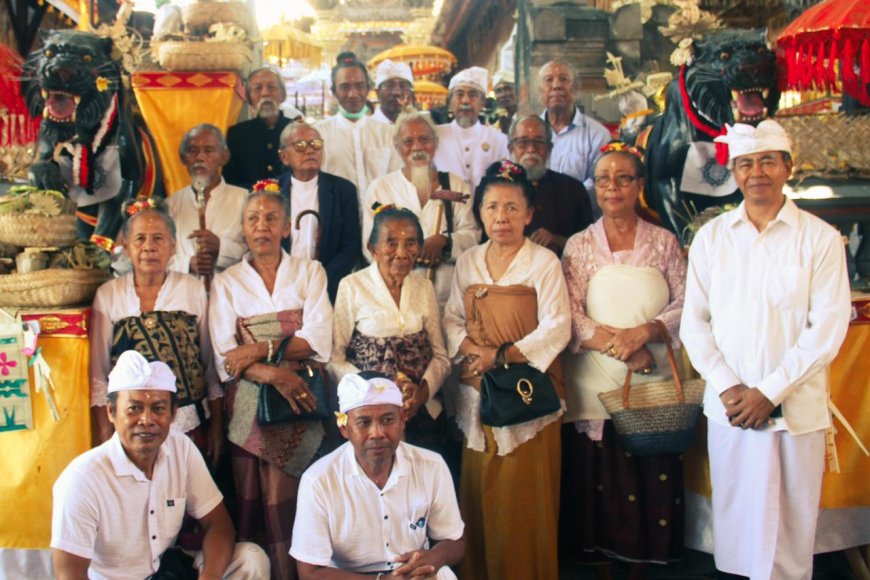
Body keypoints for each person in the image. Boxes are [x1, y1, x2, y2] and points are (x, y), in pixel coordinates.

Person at [680, 120, 851, 579]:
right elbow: (693, 324)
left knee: (791, 530)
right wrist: (730, 386)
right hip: (731, 408)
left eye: (767, 161)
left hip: (795, 410)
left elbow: (829, 327)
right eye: (745, 164)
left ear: (787, 168)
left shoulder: (820, 238)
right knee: (738, 525)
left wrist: (770, 392)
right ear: (734, 173)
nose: (756, 173)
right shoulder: (713, 239)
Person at [560, 142, 688, 576]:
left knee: (649, 472)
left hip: (653, 378)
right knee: (597, 480)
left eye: (623, 178)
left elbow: (687, 303)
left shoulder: (664, 241)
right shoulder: (578, 246)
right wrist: (621, 349)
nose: (612, 187)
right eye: (603, 179)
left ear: (639, 185)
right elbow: (571, 316)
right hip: (594, 381)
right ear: (593, 188)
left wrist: (645, 334)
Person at [443, 160, 571, 580]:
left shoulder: (543, 262)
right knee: (481, 495)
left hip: (526, 395)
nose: (502, 218)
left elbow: (558, 327)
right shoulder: (469, 261)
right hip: (479, 392)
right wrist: (473, 352)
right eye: (492, 207)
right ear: (479, 212)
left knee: (524, 498)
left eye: (513, 208)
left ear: (530, 214)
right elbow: (451, 320)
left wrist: (500, 356)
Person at [52, 350, 269, 580]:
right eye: (134, 408)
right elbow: (70, 574)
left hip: (166, 572)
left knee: (250, 560)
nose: (146, 420)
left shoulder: (180, 449)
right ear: (111, 412)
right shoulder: (82, 478)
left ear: (173, 413)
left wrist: (210, 577)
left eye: (158, 408)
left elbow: (219, 525)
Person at [209, 184, 333, 580]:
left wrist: (257, 349)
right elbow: (225, 357)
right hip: (250, 410)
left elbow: (318, 342)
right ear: (243, 229)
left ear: (286, 228)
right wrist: (275, 370)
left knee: (303, 504)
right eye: (252, 219)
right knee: (253, 506)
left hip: (302, 403)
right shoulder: (227, 281)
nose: (261, 226)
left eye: (270, 218)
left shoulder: (310, 271)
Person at [90, 197, 223, 468]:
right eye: (140, 239)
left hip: (190, 420)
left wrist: (217, 425)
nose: (149, 247)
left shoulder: (192, 290)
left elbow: (210, 365)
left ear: (173, 246)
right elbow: (98, 374)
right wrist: (105, 433)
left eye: (158, 239)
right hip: (129, 429)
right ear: (126, 247)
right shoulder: (108, 295)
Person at [291, 373, 465, 579]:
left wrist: (433, 559)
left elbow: (455, 542)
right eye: (364, 422)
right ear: (344, 428)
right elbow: (310, 573)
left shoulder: (431, 466)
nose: (377, 433)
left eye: (387, 420)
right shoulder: (318, 480)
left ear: (402, 420)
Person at [330, 207, 451, 453]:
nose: (401, 253)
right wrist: (377, 394)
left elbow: (441, 357)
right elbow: (334, 360)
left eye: (410, 243)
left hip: (418, 410)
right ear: (372, 248)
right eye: (391, 243)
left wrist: (421, 395)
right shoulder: (352, 286)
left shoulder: (424, 287)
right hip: (367, 411)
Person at [363, 111, 479, 307]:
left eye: (424, 139)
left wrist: (444, 242)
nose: (417, 147)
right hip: (397, 299)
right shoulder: (380, 189)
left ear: (435, 143)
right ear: (397, 147)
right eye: (408, 141)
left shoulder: (455, 185)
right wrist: (410, 251)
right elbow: (370, 247)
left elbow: (473, 236)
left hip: (447, 299)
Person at [276, 122, 361, 301]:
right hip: (278, 286)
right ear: (284, 156)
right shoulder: (270, 191)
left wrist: (319, 282)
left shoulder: (343, 190)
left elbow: (350, 247)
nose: (309, 151)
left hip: (327, 288)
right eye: (300, 145)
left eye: (316, 144)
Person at [316, 52, 400, 202]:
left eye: (359, 86)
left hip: (380, 219)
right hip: (337, 220)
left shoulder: (388, 134)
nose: (353, 94)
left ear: (368, 89)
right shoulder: (319, 134)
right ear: (334, 91)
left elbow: (396, 182)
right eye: (345, 87)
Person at [167, 124, 247, 276]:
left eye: (208, 150)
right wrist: (187, 263)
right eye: (193, 150)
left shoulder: (244, 199)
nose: (200, 157)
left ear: (224, 156)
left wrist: (220, 248)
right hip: (183, 294)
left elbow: (257, 252)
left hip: (231, 294)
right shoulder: (170, 204)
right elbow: (158, 256)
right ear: (183, 158)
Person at [508, 115, 594, 256]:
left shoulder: (573, 190)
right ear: (511, 148)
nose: (531, 149)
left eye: (539, 142)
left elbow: (589, 245)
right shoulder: (498, 190)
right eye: (523, 142)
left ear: (549, 148)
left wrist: (557, 240)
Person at [538, 60, 611, 213]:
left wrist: (564, 200)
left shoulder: (597, 133)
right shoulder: (529, 133)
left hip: (581, 216)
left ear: (576, 89)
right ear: (540, 91)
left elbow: (599, 179)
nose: (556, 85)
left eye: (563, 79)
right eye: (548, 80)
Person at [434, 67, 509, 190]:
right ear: (450, 101)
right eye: (459, 94)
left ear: (482, 103)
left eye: (472, 95)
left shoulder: (499, 140)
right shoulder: (436, 136)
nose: (465, 101)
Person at [224, 67, 293, 189]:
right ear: (249, 98)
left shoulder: (296, 130)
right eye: (257, 88)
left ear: (282, 95)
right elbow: (230, 181)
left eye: (272, 87)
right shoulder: (237, 134)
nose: (265, 93)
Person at [372, 59, 415, 125]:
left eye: (403, 85)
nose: (397, 92)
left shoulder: (419, 128)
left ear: (411, 93)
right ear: (377, 92)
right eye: (389, 85)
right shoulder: (366, 129)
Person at [489, 70, 517, 135]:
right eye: (498, 91)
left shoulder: (526, 117)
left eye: (507, 89)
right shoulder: (497, 124)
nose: (503, 95)